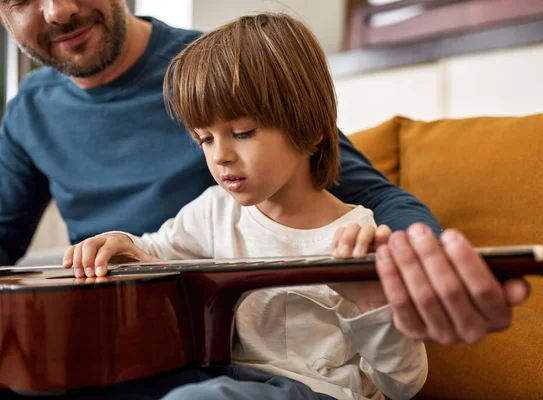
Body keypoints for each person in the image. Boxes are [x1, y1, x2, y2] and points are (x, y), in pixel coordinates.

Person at [0, 0, 527, 350]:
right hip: (108, 346)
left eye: (239, 134)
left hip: (213, 352)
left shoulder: (215, 73)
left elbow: (369, 195)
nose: (60, 9)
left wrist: (428, 270)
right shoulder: (28, 112)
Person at [64, 14, 425, 400]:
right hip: (230, 381)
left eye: (242, 133)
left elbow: (404, 384)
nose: (220, 156)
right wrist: (116, 243)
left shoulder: (359, 239)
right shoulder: (214, 212)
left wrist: (371, 301)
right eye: (204, 139)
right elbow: (151, 251)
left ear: (312, 128)